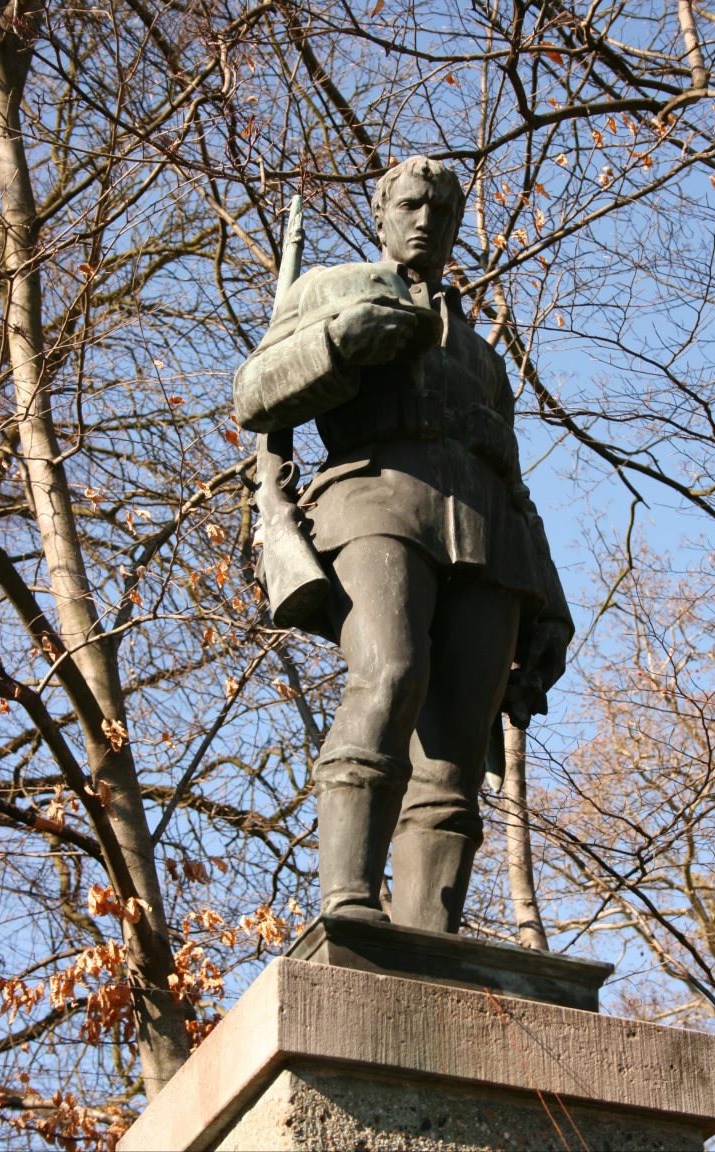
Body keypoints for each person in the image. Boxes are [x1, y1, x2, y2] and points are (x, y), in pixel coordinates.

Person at [234, 156, 573, 934]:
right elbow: (254, 394)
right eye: (411, 205)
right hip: (372, 499)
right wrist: (337, 343)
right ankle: (349, 903)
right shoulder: (331, 290)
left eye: (441, 212)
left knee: (456, 748)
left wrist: (550, 602)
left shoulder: (484, 360)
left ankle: (433, 939)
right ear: (382, 214)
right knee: (390, 674)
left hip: (489, 539)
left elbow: (516, 488)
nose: (426, 221)